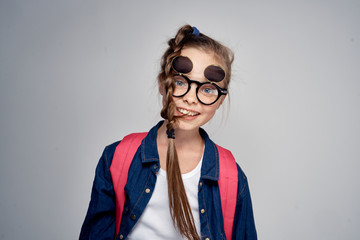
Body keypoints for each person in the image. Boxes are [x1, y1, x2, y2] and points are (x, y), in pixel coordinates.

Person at [80, 24, 257, 240]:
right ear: (163, 85)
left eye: (208, 89)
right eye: (181, 82)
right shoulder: (117, 158)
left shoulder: (232, 177)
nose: (191, 98)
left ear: (221, 99)